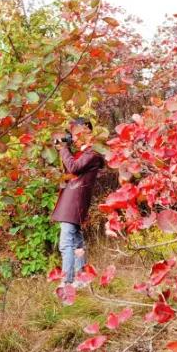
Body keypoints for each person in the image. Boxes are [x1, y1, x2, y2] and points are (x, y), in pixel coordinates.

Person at [51, 117, 105, 287]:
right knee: (76, 242)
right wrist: (63, 149)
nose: (73, 138)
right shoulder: (84, 153)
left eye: (75, 133)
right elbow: (71, 170)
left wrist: (63, 148)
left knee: (66, 243)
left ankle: (67, 281)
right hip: (74, 202)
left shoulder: (92, 154)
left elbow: (73, 167)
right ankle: (81, 279)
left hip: (74, 203)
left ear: (86, 130)